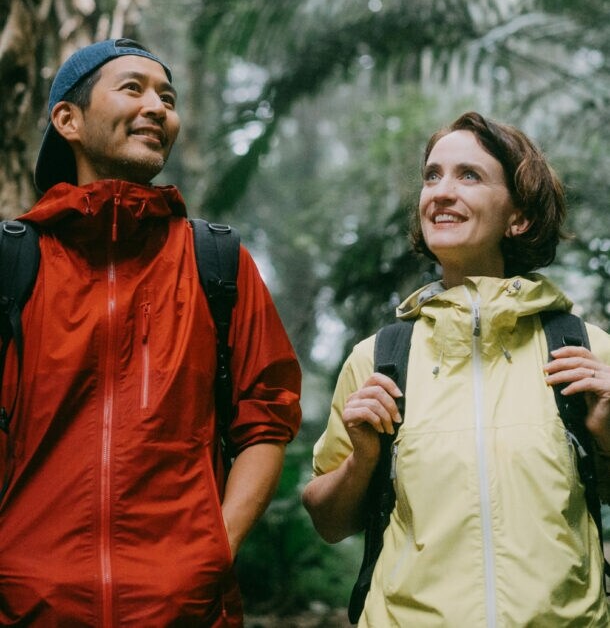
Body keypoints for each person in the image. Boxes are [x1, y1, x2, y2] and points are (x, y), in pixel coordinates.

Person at [0, 38, 301, 627]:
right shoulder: (14, 263)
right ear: (68, 120)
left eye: (168, 97)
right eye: (133, 88)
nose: (157, 108)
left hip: (182, 608)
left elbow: (266, 419)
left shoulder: (217, 263)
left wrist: (213, 553)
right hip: (29, 606)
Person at [302, 111, 610, 626]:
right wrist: (362, 459)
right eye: (432, 176)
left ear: (518, 218)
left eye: (469, 175)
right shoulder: (380, 359)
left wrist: (606, 434)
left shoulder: (584, 351)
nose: (441, 192)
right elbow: (328, 522)